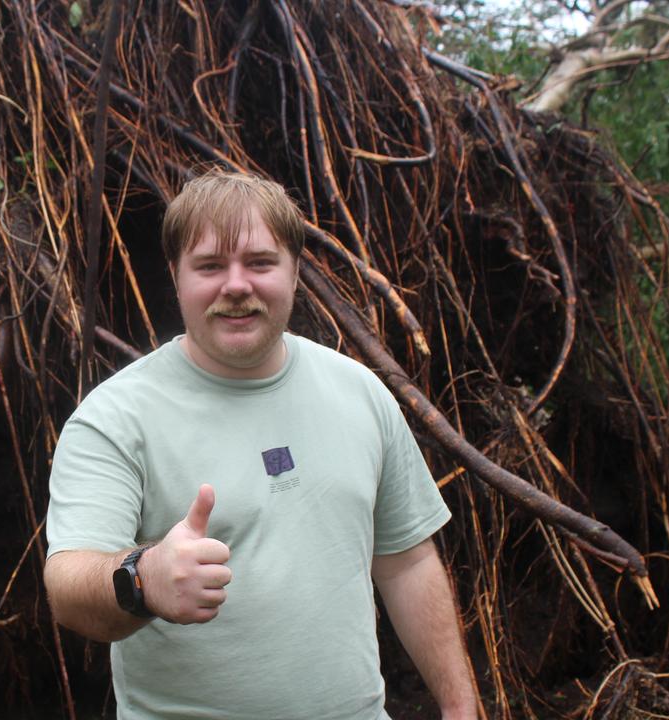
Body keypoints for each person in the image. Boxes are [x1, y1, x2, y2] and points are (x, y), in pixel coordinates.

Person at [43, 171, 477, 719]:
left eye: (259, 262)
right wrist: (142, 579)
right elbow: (66, 586)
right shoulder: (113, 418)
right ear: (175, 277)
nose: (236, 285)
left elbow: (407, 564)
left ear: (295, 271)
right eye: (209, 266)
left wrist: (463, 706)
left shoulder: (360, 392)